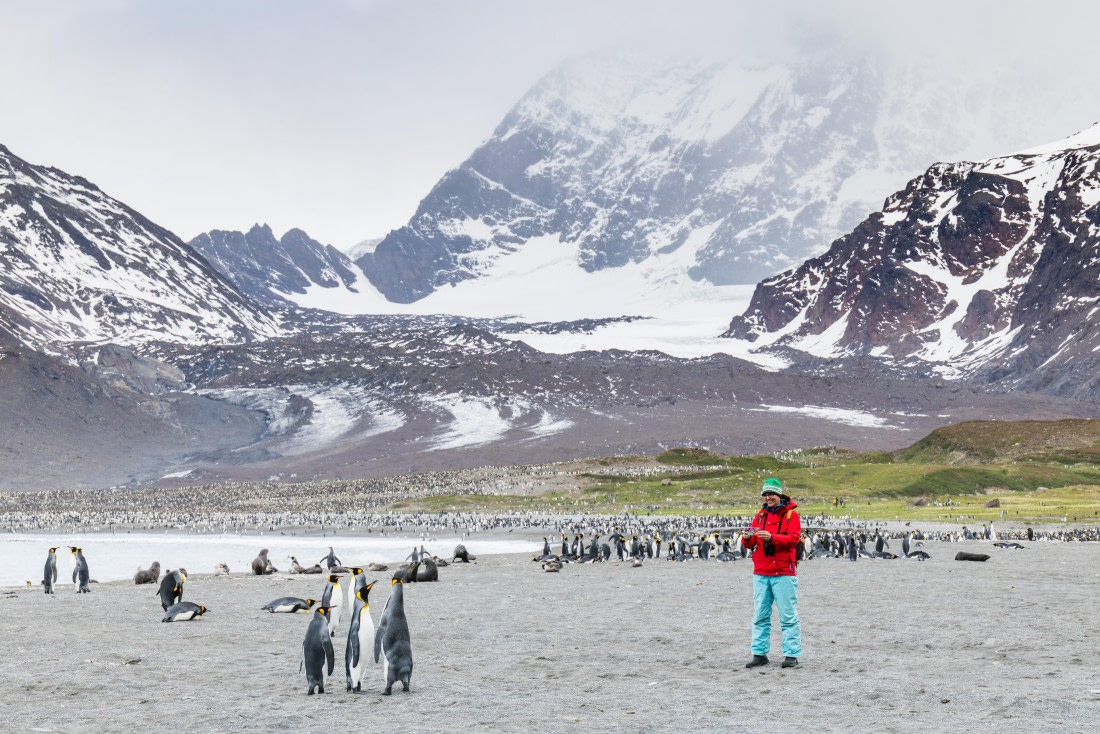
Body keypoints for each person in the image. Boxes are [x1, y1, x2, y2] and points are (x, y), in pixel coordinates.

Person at [741, 477, 802, 669]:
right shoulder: (760, 516)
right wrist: (746, 538)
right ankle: (759, 654)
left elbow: (793, 539)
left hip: (783, 571)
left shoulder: (791, 516)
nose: (768, 497)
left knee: (788, 615)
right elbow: (751, 543)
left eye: (771, 494)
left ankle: (791, 655)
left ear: (779, 495)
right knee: (760, 614)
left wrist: (772, 537)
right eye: (765, 494)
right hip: (761, 571)